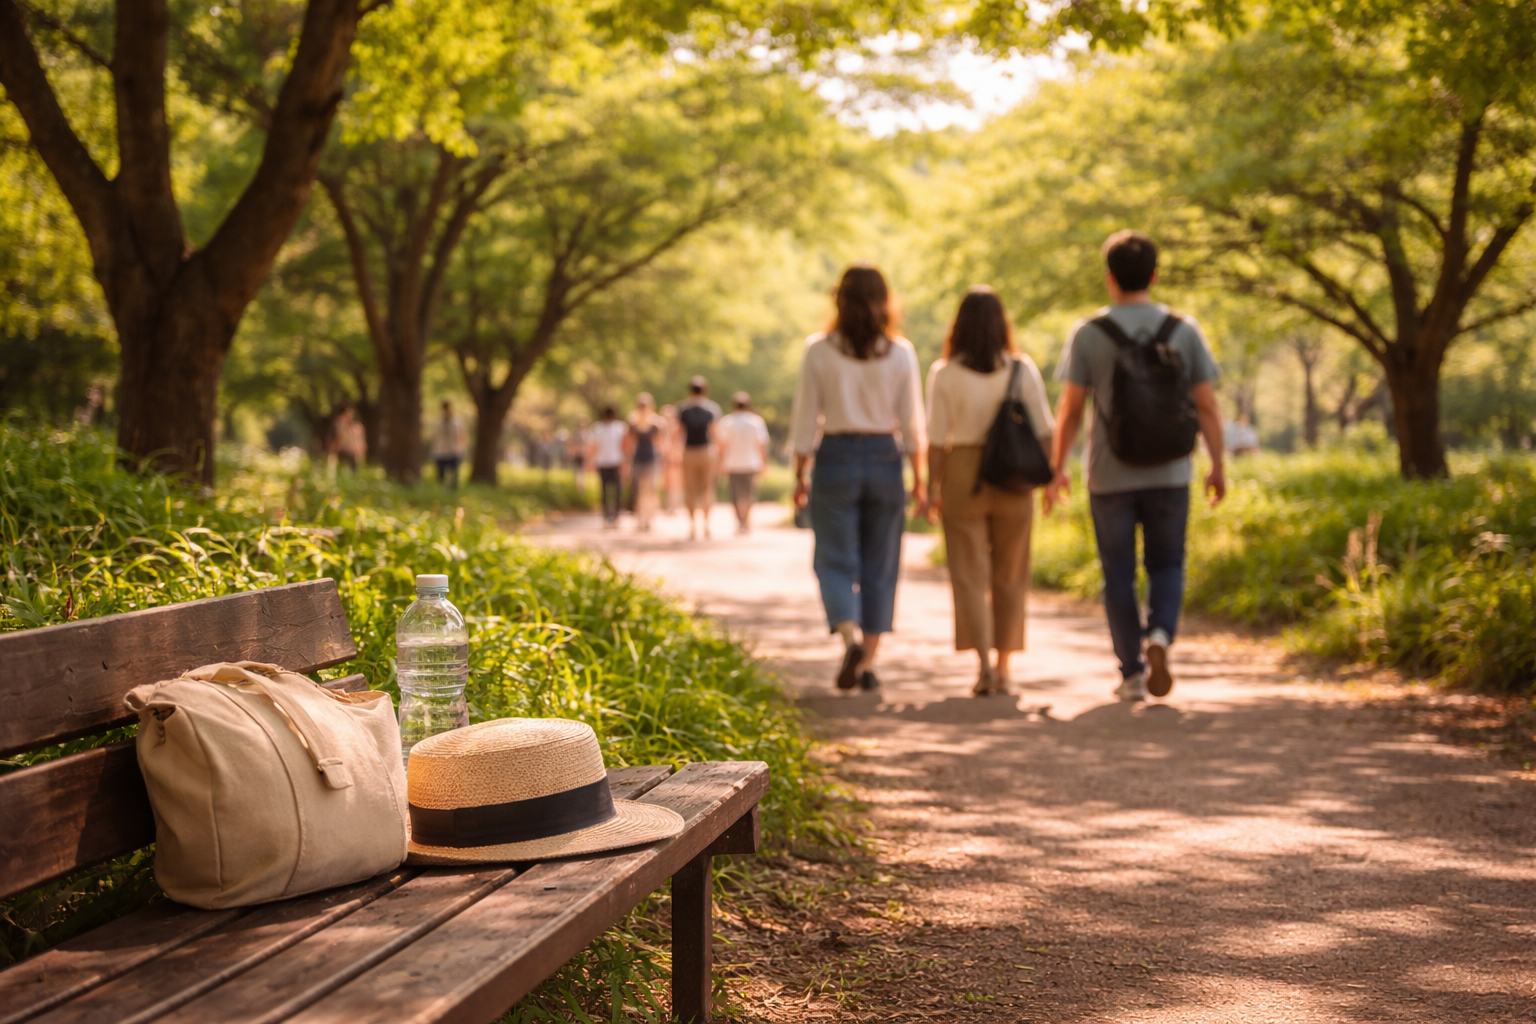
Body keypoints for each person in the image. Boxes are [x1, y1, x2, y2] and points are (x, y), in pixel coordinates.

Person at [1045, 230, 1226, 703]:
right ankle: (1161, 635)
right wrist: (1218, 465)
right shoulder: (1183, 330)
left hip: (1109, 475)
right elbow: (1206, 405)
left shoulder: (1089, 333)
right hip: (1171, 472)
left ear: (1110, 279)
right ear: (1154, 275)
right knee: (1168, 563)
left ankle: (1130, 672)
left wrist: (1057, 467)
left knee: (1118, 574)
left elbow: (1071, 410)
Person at [790, 264, 926, 693]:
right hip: (887, 457)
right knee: (881, 563)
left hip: (835, 457)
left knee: (833, 557)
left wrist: (799, 473)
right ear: (885, 302)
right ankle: (867, 663)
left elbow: (804, 421)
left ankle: (848, 637)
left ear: (838, 299)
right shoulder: (900, 352)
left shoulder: (818, 350)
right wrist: (920, 478)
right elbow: (913, 424)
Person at [925, 287, 1055, 697]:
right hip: (1013, 476)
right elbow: (1045, 431)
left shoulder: (943, 373)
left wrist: (931, 487)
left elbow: (934, 441)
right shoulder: (1021, 368)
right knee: (1011, 572)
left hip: (963, 473)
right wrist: (1048, 481)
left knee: (967, 574)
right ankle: (1004, 668)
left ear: (958, 326)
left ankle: (981, 664)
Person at [717, 391, 770, 534]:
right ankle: (746, 520)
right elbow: (762, 445)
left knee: (734, 495)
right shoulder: (756, 421)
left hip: (732, 463)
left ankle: (739, 521)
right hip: (752, 463)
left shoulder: (727, 422)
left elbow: (722, 446)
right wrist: (765, 464)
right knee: (749, 494)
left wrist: (720, 463)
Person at [676, 376, 722, 540]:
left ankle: (693, 526)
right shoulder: (712, 409)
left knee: (690, 489)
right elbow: (715, 433)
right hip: (706, 452)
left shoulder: (683, 409)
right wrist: (720, 455)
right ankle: (707, 525)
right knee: (707, 489)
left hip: (688, 452)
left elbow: (679, 434)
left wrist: (674, 452)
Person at [625, 393, 665, 533]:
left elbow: (659, 443)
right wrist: (626, 462)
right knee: (637, 490)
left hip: (651, 459)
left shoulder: (655, 422)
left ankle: (649, 518)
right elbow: (629, 443)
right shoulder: (633, 422)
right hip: (637, 459)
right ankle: (640, 518)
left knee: (650, 489)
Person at [587, 405, 628, 528]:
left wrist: (591, 461)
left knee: (607, 491)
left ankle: (609, 517)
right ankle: (614, 518)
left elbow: (593, 447)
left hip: (608, 462)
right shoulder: (620, 427)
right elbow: (625, 446)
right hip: (613, 462)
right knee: (614, 491)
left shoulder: (599, 428)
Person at [431, 401, 468, 488]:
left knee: (454, 475)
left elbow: (462, 436)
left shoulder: (457, 421)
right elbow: (434, 437)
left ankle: (452, 491)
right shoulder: (438, 422)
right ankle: (441, 491)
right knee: (441, 475)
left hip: (454, 451)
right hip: (441, 452)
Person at [660, 404, 683, 514]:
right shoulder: (662, 427)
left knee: (676, 482)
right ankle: (669, 505)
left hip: (675, 457)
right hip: (665, 457)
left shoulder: (676, 427)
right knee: (668, 483)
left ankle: (674, 505)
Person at [330, 403, 367, 472]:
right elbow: (335, 444)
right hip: (341, 456)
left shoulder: (357, 428)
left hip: (353, 457)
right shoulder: (337, 426)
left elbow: (361, 445)